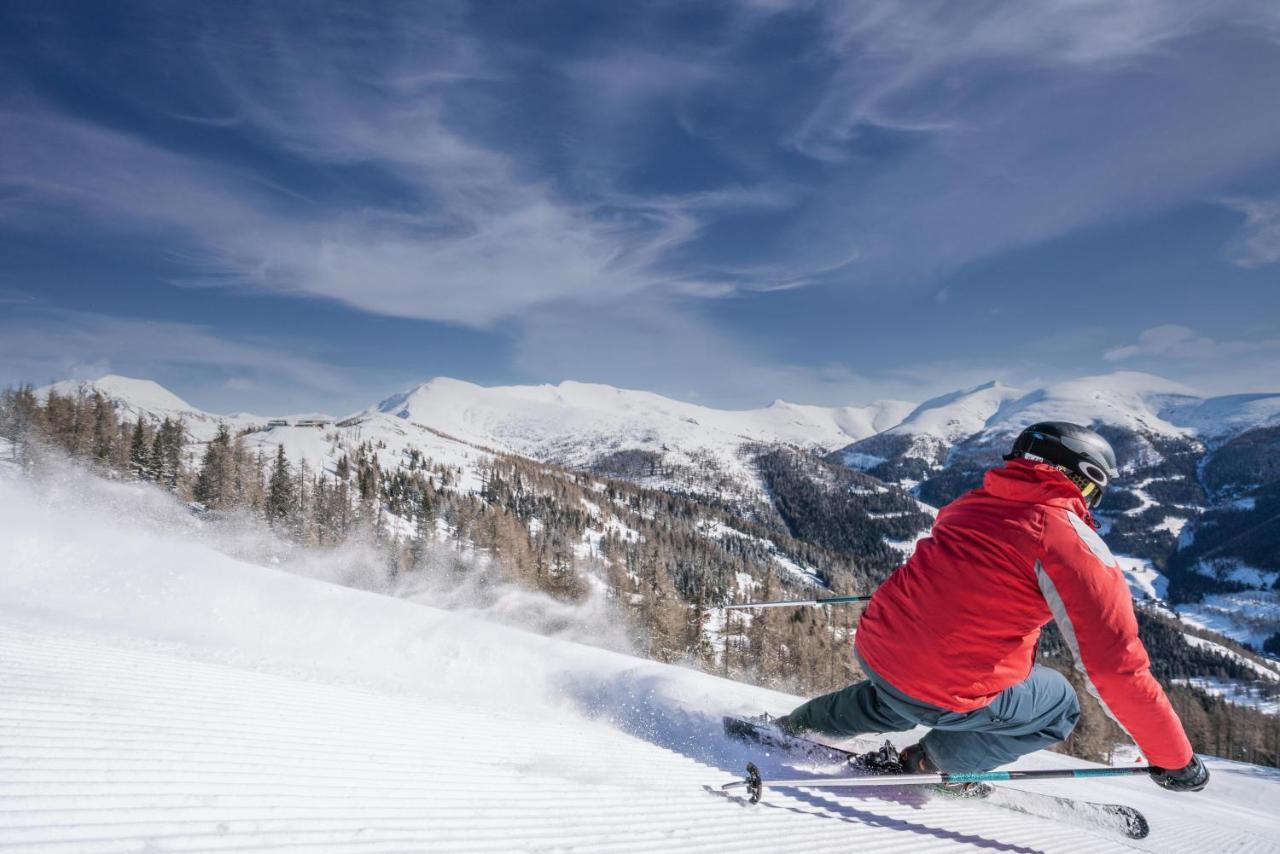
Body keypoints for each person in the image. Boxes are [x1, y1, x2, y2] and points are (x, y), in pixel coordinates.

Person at [777, 421, 1208, 793]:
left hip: (877, 649)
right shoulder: (1070, 543)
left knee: (901, 690)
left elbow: (962, 572)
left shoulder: (970, 503)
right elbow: (1115, 669)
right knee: (1058, 704)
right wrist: (1174, 757)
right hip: (945, 685)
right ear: (1085, 479)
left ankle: (796, 726)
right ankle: (930, 765)